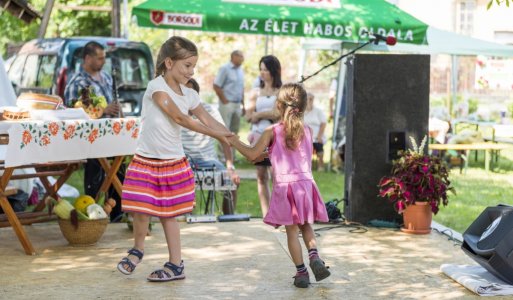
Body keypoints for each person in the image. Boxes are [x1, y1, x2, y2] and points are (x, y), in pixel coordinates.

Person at [117, 36, 233, 282]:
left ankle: (176, 264)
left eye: (193, 66)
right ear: (169, 63)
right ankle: (138, 249)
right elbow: (182, 119)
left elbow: (207, 119)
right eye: (187, 66)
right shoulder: (156, 87)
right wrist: (216, 134)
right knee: (139, 209)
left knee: (168, 215)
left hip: (171, 162)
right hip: (146, 160)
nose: (191, 72)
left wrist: (226, 135)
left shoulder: (190, 94)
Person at [228, 83, 331, 288]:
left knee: (292, 231)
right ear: (303, 106)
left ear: (278, 105)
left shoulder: (272, 131)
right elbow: (295, 154)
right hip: (306, 185)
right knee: (306, 226)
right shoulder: (309, 131)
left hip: (287, 187)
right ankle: (314, 257)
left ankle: (301, 273)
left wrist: (234, 141)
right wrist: (271, 154)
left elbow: (251, 154)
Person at [63, 41, 124, 222]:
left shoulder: (105, 76)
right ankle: (95, 217)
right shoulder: (78, 82)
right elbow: (75, 112)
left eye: (104, 57)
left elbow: (113, 103)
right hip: (92, 141)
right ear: (87, 58)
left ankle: (117, 215)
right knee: (97, 179)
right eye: (99, 58)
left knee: (118, 175)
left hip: (113, 136)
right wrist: (104, 111)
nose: (103, 61)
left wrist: (119, 113)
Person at [182, 78, 241, 214]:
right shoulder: (176, 110)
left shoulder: (208, 109)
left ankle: (229, 218)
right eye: (184, 92)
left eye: (191, 93)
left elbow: (225, 137)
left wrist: (230, 167)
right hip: (184, 161)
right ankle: (186, 219)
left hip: (209, 160)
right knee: (182, 181)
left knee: (232, 182)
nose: (187, 95)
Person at [245, 55, 282, 216]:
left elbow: (277, 114)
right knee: (261, 175)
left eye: (265, 69)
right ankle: (266, 213)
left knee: (277, 175)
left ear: (273, 70)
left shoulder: (281, 91)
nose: (262, 73)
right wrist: (263, 115)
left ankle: (279, 211)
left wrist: (259, 114)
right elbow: (248, 116)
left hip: (275, 137)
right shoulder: (255, 92)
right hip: (258, 137)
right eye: (260, 69)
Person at [213, 50, 245, 138]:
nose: (243, 58)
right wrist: (224, 101)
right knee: (224, 131)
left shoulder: (241, 71)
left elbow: (241, 89)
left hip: (237, 105)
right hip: (227, 104)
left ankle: (232, 152)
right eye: (241, 56)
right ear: (233, 56)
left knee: (235, 132)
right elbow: (216, 85)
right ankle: (222, 152)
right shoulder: (225, 69)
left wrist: (243, 105)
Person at [304, 92, 327, 172]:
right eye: (308, 99)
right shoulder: (300, 112)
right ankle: (304, 166)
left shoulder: (318, 111)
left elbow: (323, 124)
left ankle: (320, 166)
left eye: (311, 99)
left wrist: (319, 136)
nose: (310, 101)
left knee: (318, 145)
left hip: (316, 136)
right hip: (304, 136)